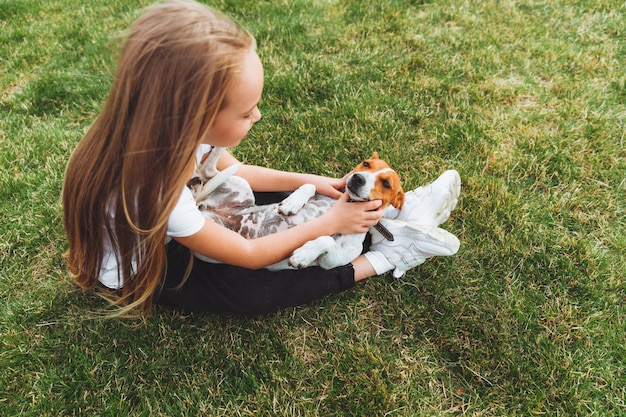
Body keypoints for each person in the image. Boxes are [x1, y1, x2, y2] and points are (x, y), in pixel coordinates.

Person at [62, 0, 460, 317]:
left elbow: (237, 171)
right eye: (247, 110)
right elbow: (251, 257)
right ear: (195, 116)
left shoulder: (157, 129)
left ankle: (393, 214)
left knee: (275, 204)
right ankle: (383, 257)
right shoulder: (156, 189)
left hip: (166, 226)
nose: (258, 115)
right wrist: (329, 222)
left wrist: (316, 183)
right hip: (153, 265)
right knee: (253, 291)